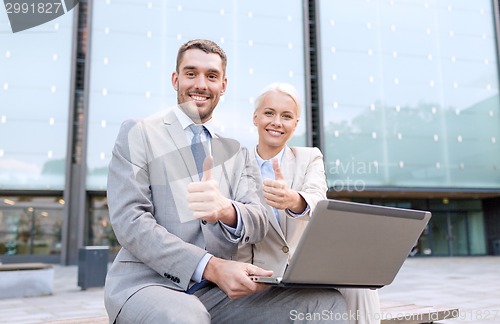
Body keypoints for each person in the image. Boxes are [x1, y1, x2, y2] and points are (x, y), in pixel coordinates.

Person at [104, 39, 348, 323]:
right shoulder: (139, 133)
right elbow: (130, 222)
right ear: (175, 79)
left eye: (211, 76)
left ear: (223, 85)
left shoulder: (236, 152)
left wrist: (226, 210)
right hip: (148, 284)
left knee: (325, 303)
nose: (201, 84)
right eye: (191, 73)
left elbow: (258, 219)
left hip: (217, 293)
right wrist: (210, 266)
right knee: (186, 316)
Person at [237, 82, 381, 324]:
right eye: (269, 113)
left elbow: (318, 199)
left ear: (295, 124)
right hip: (263, 275)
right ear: (255, 117)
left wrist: (293, 199)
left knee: (362, 287)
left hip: (308, 269)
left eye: (286, 116)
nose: (277, 122)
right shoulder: (235, 164)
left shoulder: (309, 157)